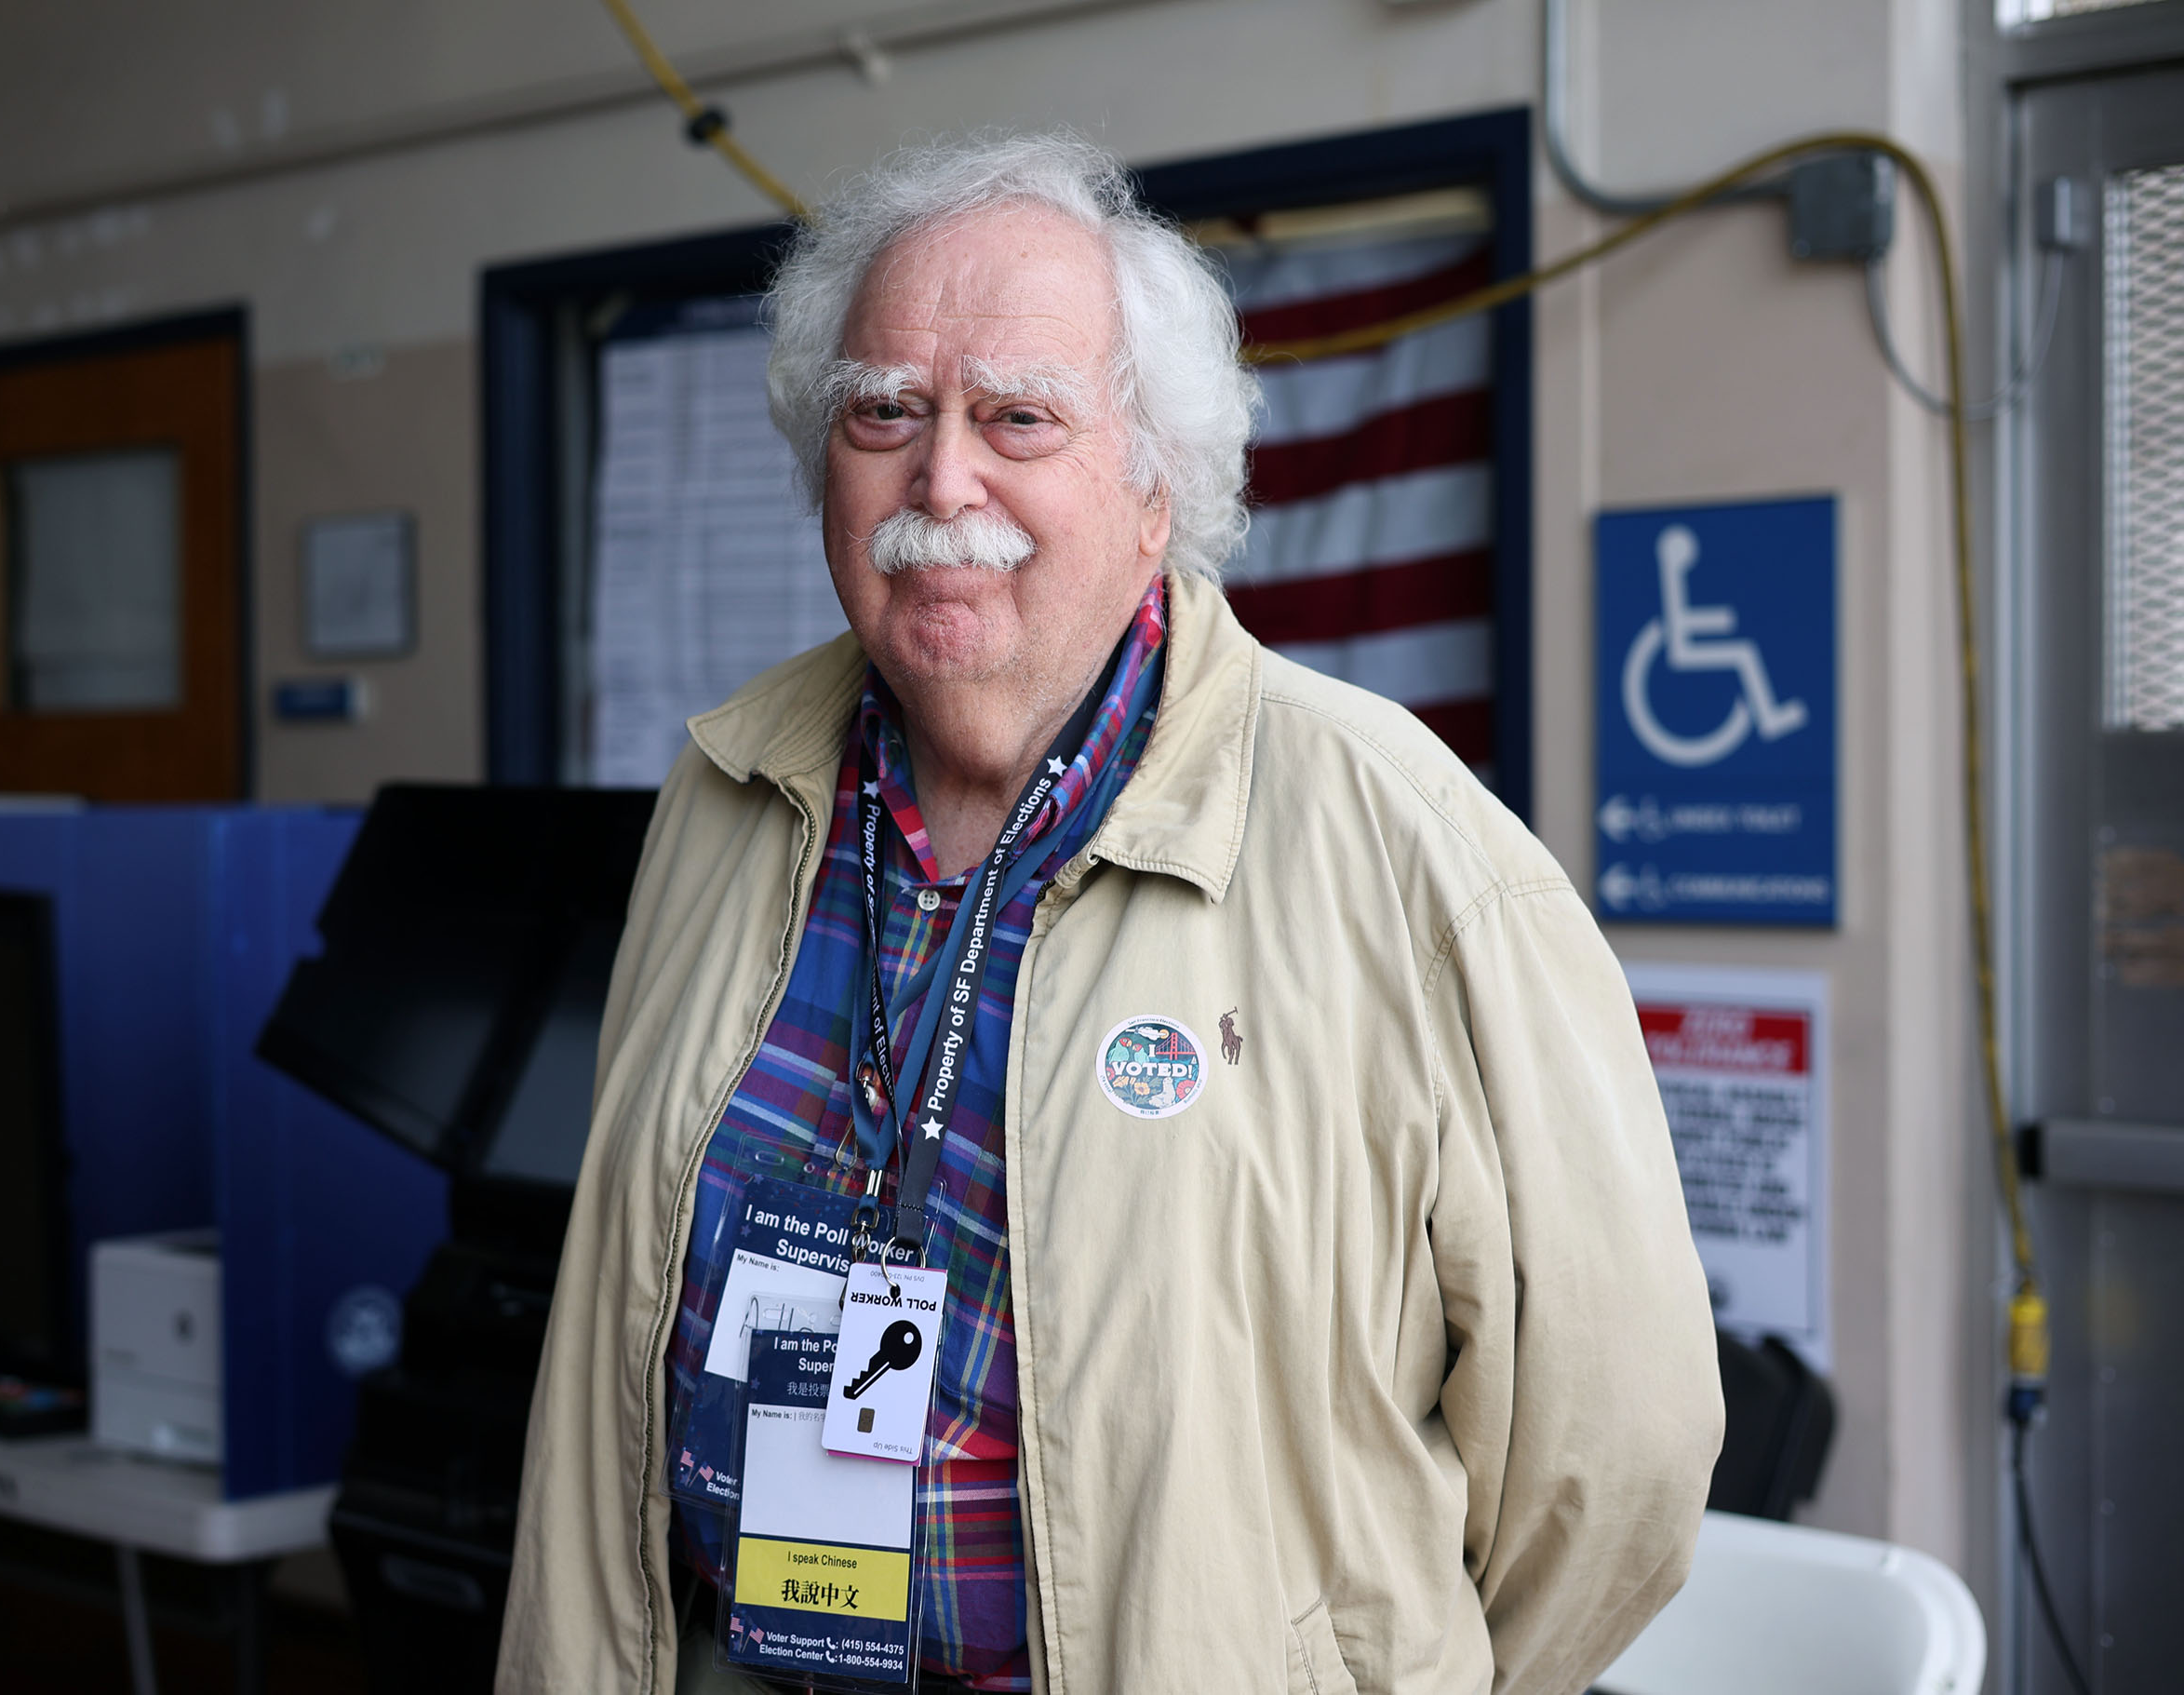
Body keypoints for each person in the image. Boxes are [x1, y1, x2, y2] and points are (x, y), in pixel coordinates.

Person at [498, 131, 1722, 1695]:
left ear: (1157, 490)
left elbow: (1617, 1449)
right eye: (886, 411)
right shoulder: (720, 793)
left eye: (1020, 416)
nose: (943, 479)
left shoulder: (1413, 852)